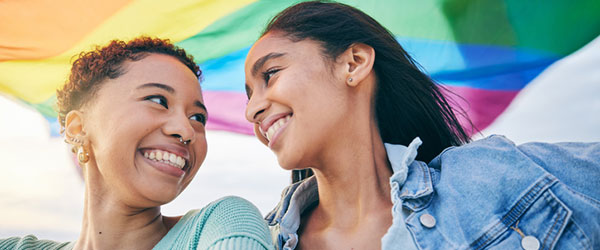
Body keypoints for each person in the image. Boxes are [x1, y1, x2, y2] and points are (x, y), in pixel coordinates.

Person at [243, 1, 600, 249]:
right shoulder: (252, 240)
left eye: (270, 75)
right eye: (248, 94)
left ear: (353, 63)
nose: (252, 110)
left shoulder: (493, 178)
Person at [0, 37, 273, 250]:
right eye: (157, 101)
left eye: (197, 117)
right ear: (78, 127)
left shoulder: (222, 224)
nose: (186, 130)